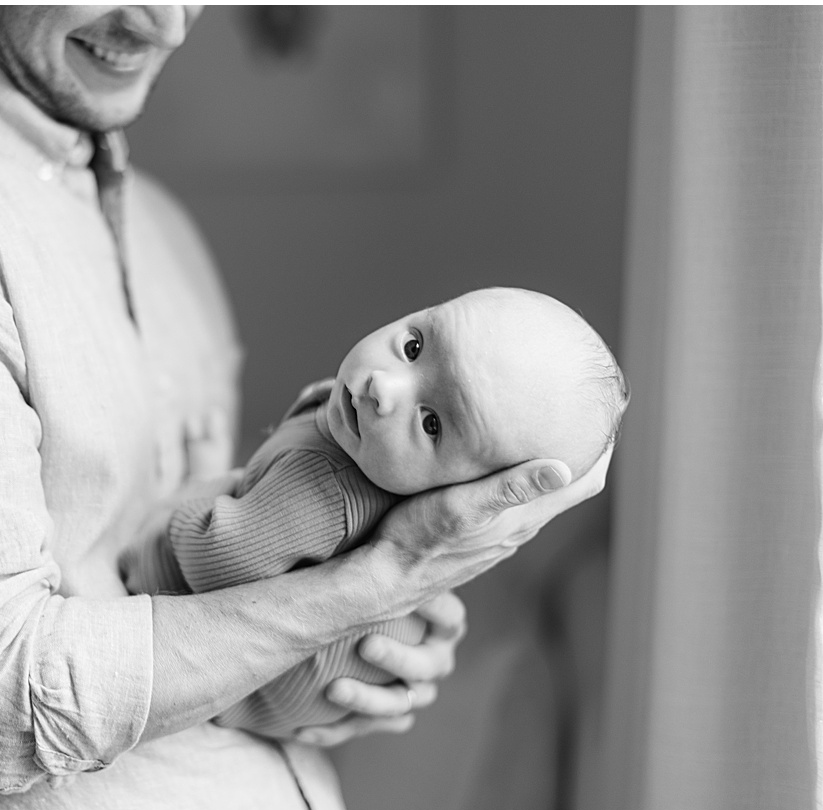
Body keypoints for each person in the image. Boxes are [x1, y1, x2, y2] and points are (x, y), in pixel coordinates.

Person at [0, 7, 608, 810]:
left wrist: (348, 677)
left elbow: (227, 629)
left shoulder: (166, 236)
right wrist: (369, 590)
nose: (165, 21)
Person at [123, 287, 627, 738]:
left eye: (432, 424)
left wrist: (175, 512)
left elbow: (218, 559)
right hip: (345, 673)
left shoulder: (323, 490)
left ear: (470, 492)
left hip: (272, 692)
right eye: (414, 346)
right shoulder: (365, 437)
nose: (385, 388)